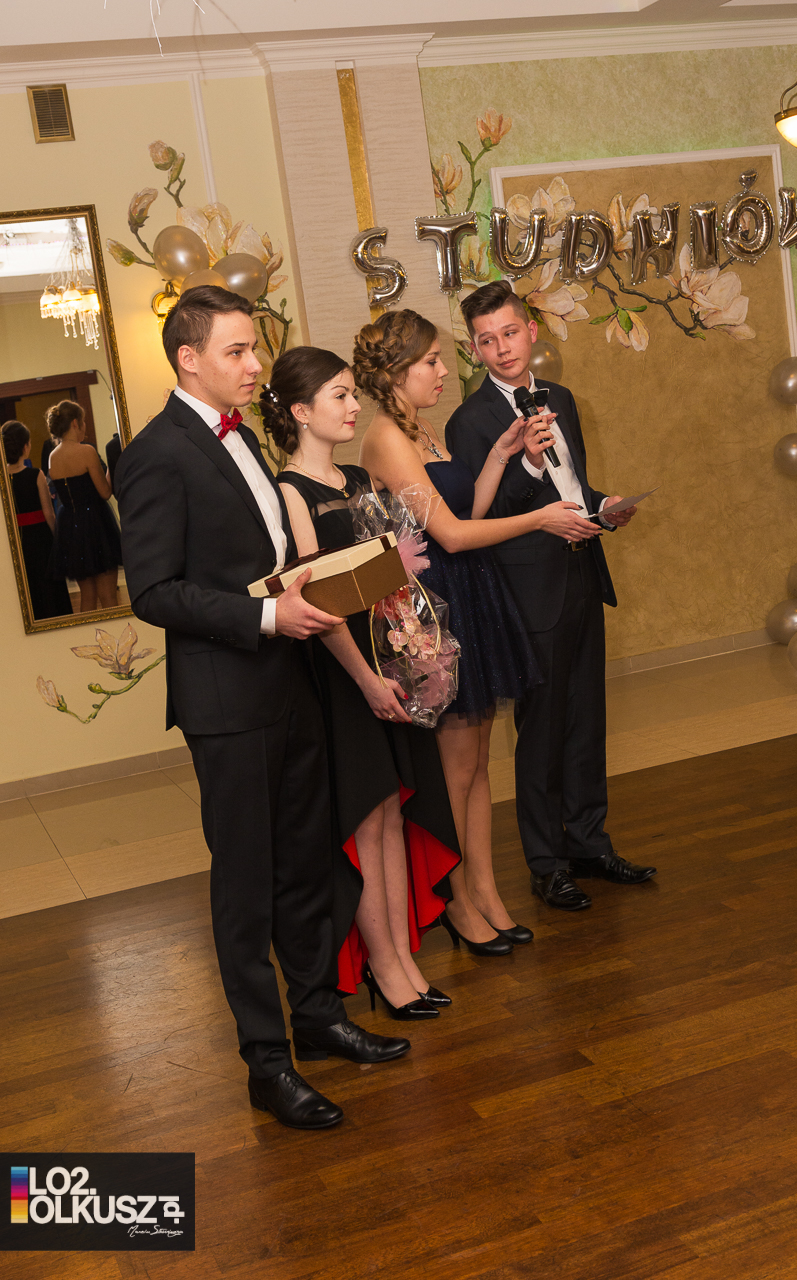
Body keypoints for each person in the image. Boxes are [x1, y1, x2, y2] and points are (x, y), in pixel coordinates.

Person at [114, 285, 409, 1133]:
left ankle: (316, 1018)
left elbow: (264, 563)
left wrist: (329, 581)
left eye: (254, 348)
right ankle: (266, 1063)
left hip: (288, 684)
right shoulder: (157, 453)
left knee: (305, 862)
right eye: (237, 351)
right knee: (246, 885)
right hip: (227, 701)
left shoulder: (242, 438)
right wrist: (268, 616)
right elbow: (153, 592)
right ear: (189, 360)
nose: (255, 366)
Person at [354, 309, 584, 957]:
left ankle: (485, 891)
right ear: (397, 370)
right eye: (430, 361)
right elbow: (450, 536)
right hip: (436, 610)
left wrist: (501, 456)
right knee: (453, 772)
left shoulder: (422, 427)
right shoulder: (386, 438)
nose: (442, 371)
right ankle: (456, 901)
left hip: (470, 596)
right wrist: (539, 518)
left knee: (478, 765)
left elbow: (467, 510)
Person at [262, 345, 460, 1020]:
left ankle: (402, 959)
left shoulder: (353, 477)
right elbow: (317, 604)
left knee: (393, 812)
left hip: (383, 662)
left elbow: (382, 580)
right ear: (300, 411)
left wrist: (412, 646)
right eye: (340, 396)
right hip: (342, 673)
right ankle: (384, 966)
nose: (353, 407)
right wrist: (367, 681)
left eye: (353, 393)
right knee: (367, 818)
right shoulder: (289, 492)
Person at [446, 280, 656, 911]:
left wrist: (604, 505)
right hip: (525, 591)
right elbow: (482, 518)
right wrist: (529, 465)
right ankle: (546, 863)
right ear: (476, 350)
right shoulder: (469, 421)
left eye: (510, 333)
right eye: (487, 340)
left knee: (586, 719)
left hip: (581, 575)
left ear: (531, 331)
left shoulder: (560, 398)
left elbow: (573, 488)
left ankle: (590, 842)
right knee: (540, 731)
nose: (502, 348)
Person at [46, 400, 122, 613]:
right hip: (96, 524)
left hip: (70, 527)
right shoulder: (86, 451)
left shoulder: (53, 457)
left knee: (87, 597)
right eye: (84, 421)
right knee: (108, 596)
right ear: (75, 423)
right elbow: (105, 492)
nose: (85, 426)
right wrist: (112, 465)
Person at [1, 420, 71, 620]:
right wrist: (57, 539)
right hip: (39, 538)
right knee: (46, 586)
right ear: (25, 447)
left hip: (13, 540)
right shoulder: (35, 475)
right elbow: (49, 513)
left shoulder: (2, 478)